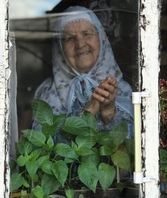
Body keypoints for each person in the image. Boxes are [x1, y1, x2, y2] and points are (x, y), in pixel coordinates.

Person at [33, 6, 133, 136]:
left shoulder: (122, 89)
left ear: (101, 39)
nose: (80, 44)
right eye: (69, 38)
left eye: (87, 34)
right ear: (60, 49)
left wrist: (109, 113)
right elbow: (42, 149)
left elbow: (136, 147)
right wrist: (88, 113)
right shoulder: (47, 94)